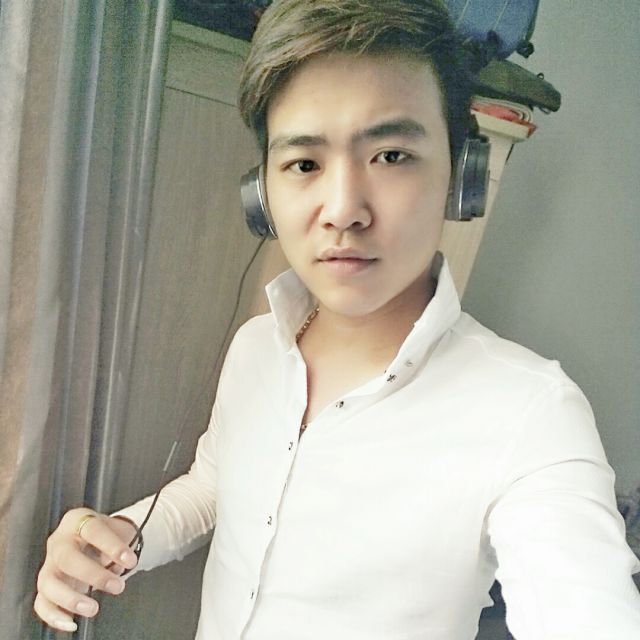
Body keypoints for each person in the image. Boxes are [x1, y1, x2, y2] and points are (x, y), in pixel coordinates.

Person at [34, 0, 640, 638]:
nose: (344, 208)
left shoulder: (533, 414)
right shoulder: (257, 346)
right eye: (304, 164)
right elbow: (213, 488)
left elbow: (583, 607)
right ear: (263, 195)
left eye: (392, 155)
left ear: (461, 178)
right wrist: (119, 535)